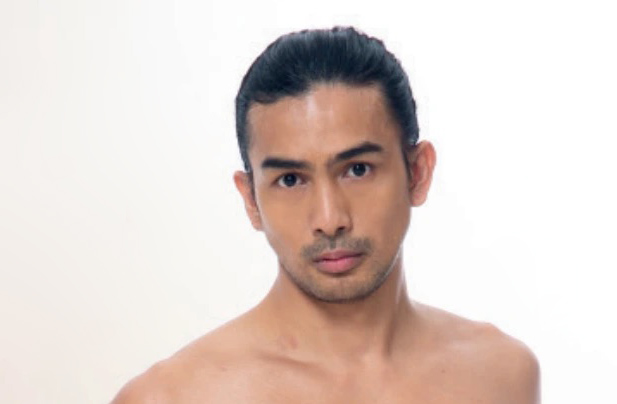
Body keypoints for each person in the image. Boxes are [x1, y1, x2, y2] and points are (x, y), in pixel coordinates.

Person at [112, 26, 540, 403]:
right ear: (251, 200)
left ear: (418, 173)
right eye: (291, 180)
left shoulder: (501, 375)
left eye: (358, 170)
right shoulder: (171, 398)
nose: (330, 218)